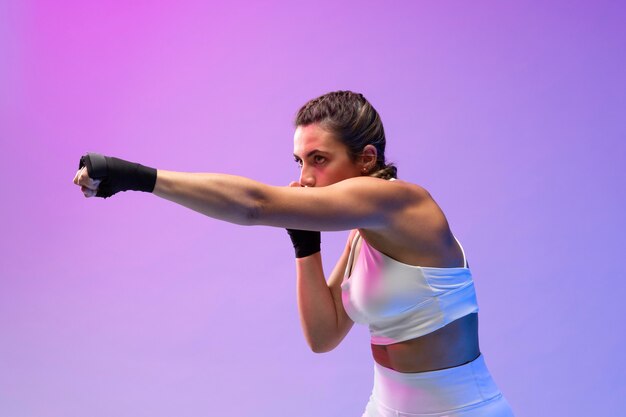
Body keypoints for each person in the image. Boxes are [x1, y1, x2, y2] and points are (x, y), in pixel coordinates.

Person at [73, 91, 514, 416]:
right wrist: (306, 243)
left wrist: (134, 176)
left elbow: (254, 205)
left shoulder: (401, 203)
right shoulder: (362, 232)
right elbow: (324, 336)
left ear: (366, 159)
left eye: (319, 159)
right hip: (384, 408)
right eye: (299, 161)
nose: (304, 177)